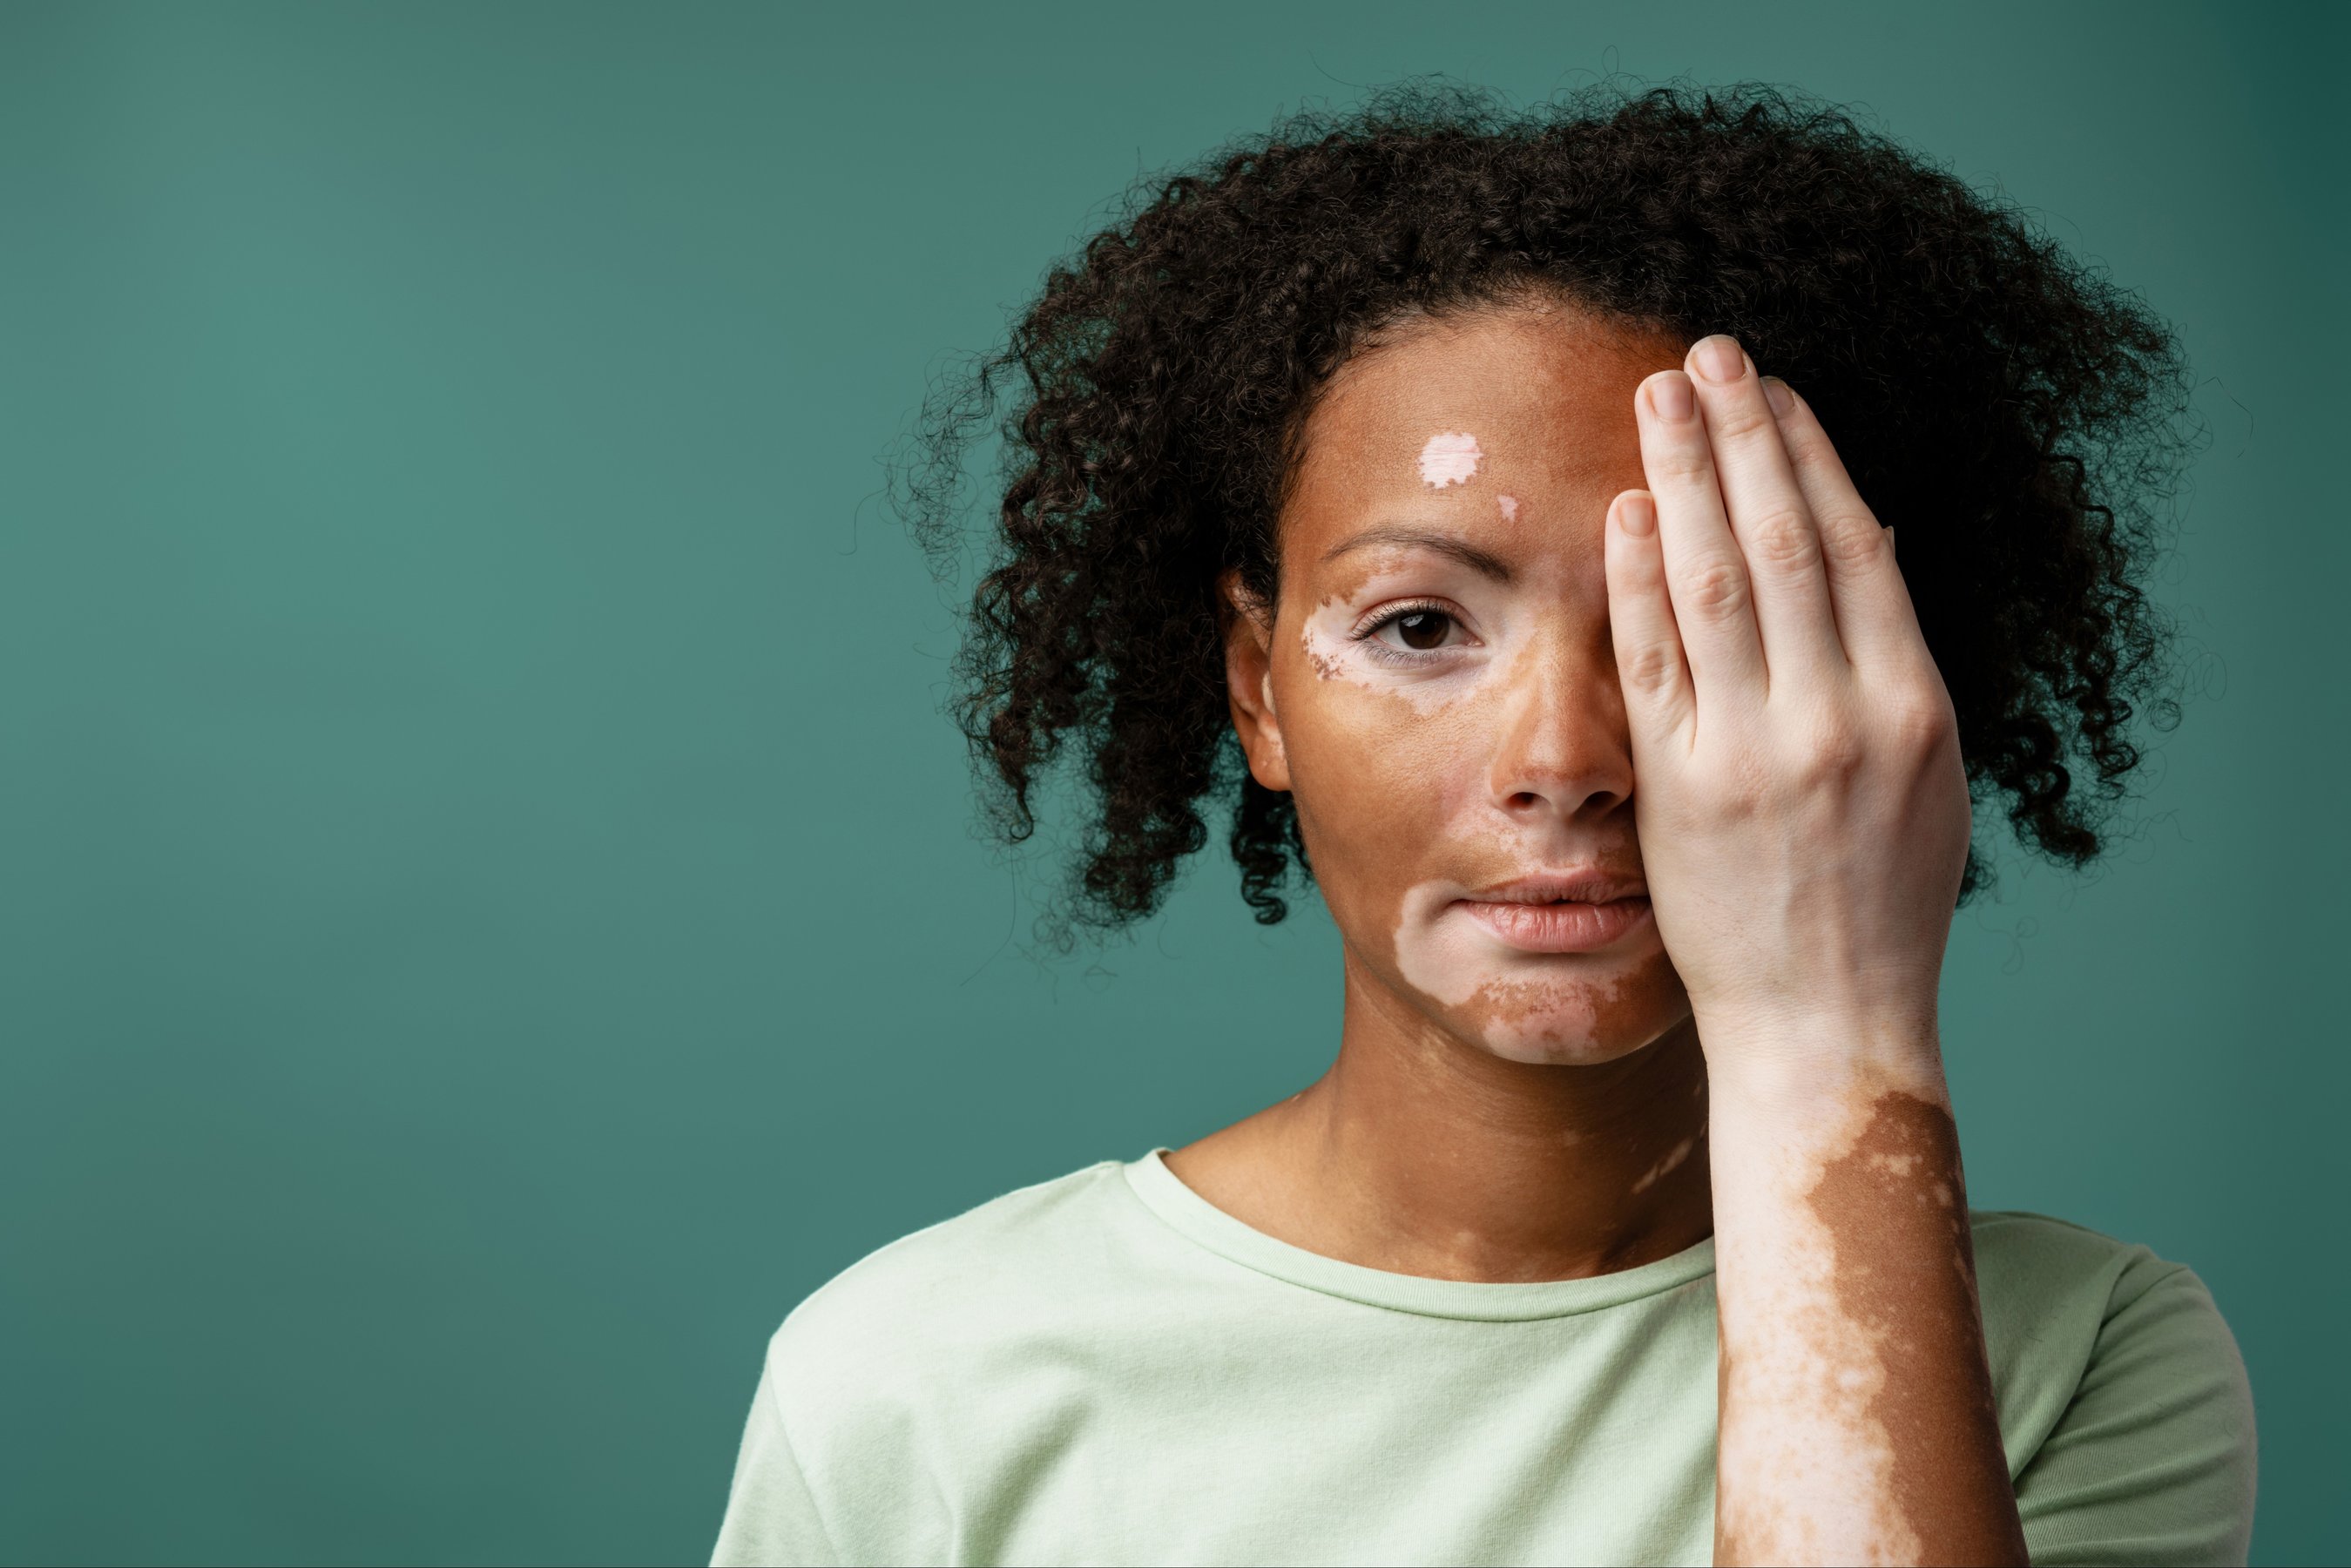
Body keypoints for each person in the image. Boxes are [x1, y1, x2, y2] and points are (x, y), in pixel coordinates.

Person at [712, 83, 2255, 1566]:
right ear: (1260, 694)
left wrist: (1822, 1039)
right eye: (1419, 627)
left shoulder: (2078, 1358)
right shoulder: (912, 1385)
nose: (1566, 758)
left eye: (1691, 635)